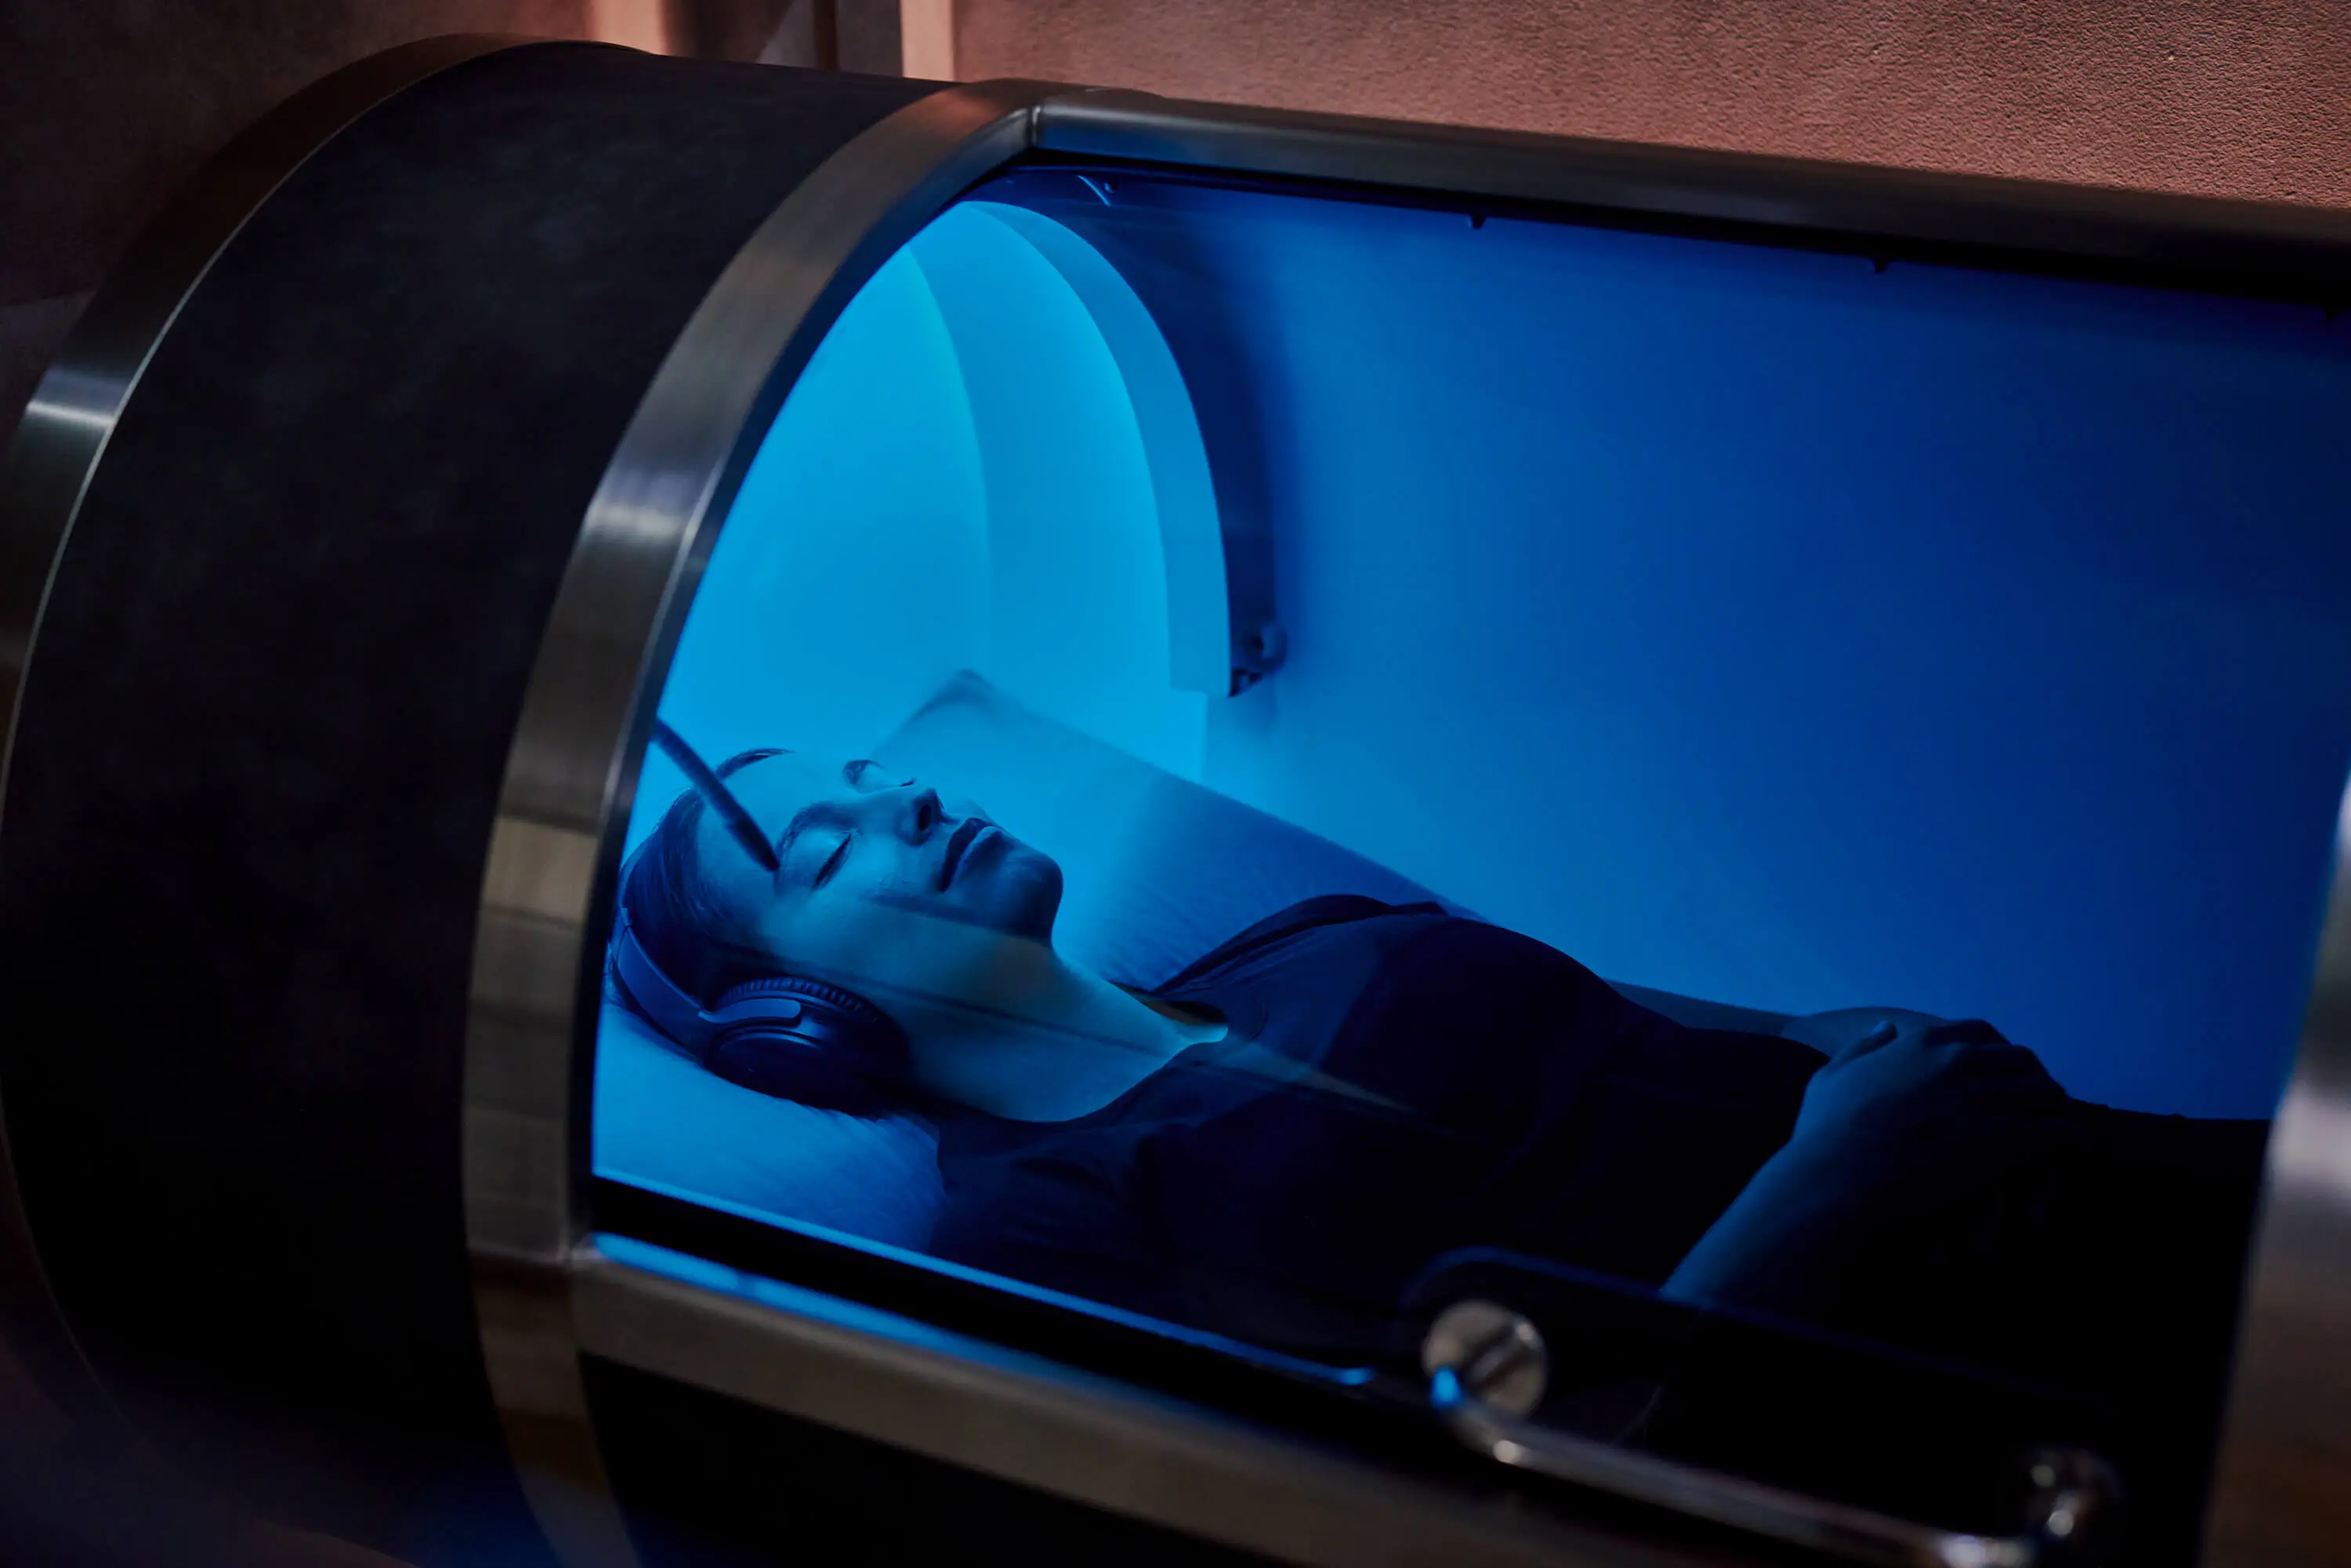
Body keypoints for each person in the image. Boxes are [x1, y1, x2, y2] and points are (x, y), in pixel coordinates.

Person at [610, 737, 2269, 1432]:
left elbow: (1705, 1023)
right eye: (830, 841)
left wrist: (1867, 1054)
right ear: (786, 1013)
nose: (906, 799)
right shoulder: (1040, 1236)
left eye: (882, 772)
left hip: (2086, 1169)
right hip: (1955, 1382)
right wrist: (1840, 1172)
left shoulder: (1296, 938)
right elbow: (1453, 1480)